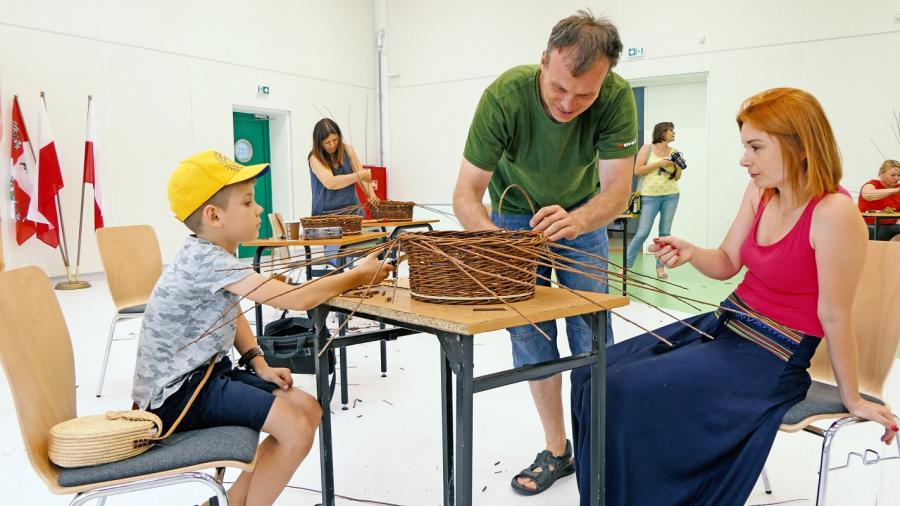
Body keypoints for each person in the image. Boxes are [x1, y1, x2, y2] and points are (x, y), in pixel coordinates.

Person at [570, 88, 899, 505]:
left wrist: (852, 397)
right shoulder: (760, 193)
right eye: (746, 147)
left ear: (801, 145)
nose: (745, 160)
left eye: (756, 148)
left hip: (773, 355)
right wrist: (692, 252)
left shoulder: (833, 212)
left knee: (619, 390)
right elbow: (727, 261)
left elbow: (835, 316)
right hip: (727, 326)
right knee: (588, 374)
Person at [132, 150, 393, 506]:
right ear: (214, 216)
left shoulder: (210, 255)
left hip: (205, 377)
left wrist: (258, 361)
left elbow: (230, 310)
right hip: (178, 396)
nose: (258, 209)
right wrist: (358, 275)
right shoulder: (209, 260)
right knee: (296, 429)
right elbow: (297, 299)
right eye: (247, 202)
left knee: (309, 409)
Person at [452, 10, 637, 495]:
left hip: (583, 214)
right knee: (529, 336)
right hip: (514, 219)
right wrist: (495, 240)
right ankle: (559, 450)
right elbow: (466, 194)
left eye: (585, 95)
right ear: (544, 61)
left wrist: (578, 221)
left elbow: (618, 191)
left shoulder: (616, 97)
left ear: (605, 80)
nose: (568, 104)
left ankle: (598, 443)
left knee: (591, 331)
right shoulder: (505, 97)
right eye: (558, 88)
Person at [625, 121, 683, 278]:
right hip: (649, 196)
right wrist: (660, 164)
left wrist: (677, 167)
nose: (673, 133)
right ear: (662, 133)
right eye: (670, 130)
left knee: (665, 233)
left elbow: (676, 178)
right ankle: (626, 266)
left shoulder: (674, 151)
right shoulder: (647, 148)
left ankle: (660, 267)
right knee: (643, 232)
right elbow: (637, 170)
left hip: (671, 195)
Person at [308, 118, 379, 216]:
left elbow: (362, 176)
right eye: (327, 142)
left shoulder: (347, 149)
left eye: (335, 140)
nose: (332, 145)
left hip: (352, 212)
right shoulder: (315, 158)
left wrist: (371, 194)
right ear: (319, 143)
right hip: (326, 215)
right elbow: (331, 183)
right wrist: (359, 175)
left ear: (339, 136)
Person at [857, 159, 900, 240]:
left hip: (892, 227)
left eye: (899, 175)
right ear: (881, 174)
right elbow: (867, 195)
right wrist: (895, 190)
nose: (897, 178)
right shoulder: (872, 184)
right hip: (869, 226)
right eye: (893, 175)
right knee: (882, 232)